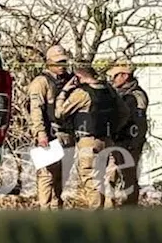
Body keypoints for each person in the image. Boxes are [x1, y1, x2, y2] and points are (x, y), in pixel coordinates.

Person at [56, 64, 130, 209]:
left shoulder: (82, 93)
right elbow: (124, 112)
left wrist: (64, 91)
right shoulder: (109, 90)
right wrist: (113, 129)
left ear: (78, 77)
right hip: (107, 140)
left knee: (91, 180)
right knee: (106, 180)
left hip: (88, 141)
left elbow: (60, 113)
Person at [27, 45, 72, 209]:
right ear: (49, 62)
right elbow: (36, 110)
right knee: (47, 177)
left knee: (61, 178)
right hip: (48, 136)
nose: (63, 66)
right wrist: (40, 133)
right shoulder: (41, 82)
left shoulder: (69, 80)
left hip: (66, 136)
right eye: (59, 62)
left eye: (64, 62)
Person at [107, 62, 149, 207]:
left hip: (129, 142)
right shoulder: (117, 94)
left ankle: (129, 208)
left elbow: (138, 122)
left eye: (115, 76)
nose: (112, 80)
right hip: (115, 141)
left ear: (124, 76)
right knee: (110, 177)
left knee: (128, 178)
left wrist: (134, 143)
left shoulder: (136, 96)